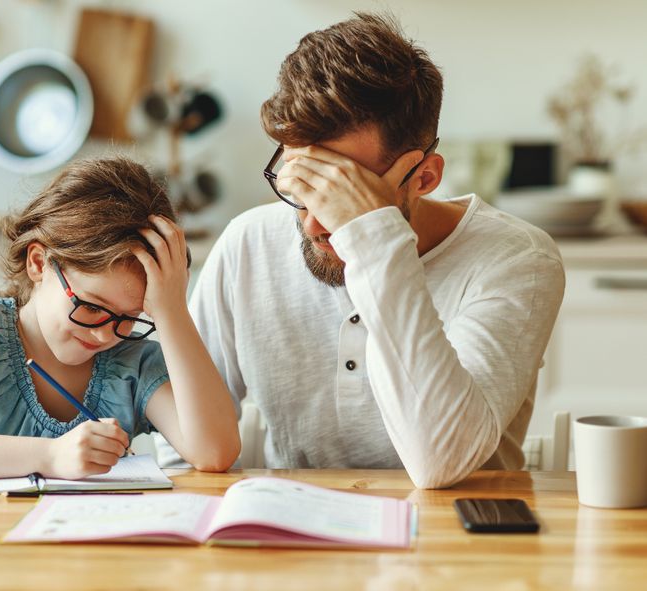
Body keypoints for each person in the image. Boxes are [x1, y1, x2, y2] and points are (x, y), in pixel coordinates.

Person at [188, 13, 565, 488]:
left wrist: (376, 240)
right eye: (303, 185)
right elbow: (183, 440)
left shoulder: (518, 260)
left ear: (424, 177)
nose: (314, 223)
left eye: (344, 193)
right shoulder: (248, 244)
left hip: (459, 544)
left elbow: (440, 459)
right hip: (293, 534)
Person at [0, 158, 240, 479]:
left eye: (129, 318)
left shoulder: (133, 363)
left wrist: (172, 311)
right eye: (91, 307)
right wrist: (51, 455)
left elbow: (215, 452)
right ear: (38, 263)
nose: (106, 335)